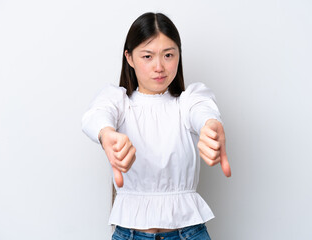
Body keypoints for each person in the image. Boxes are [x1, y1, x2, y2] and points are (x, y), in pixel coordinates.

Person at [82, 12, 231, 240]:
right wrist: (107, 134)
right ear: (129, 58)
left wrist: (210, 125)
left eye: (168, 55)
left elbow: (203, 109)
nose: (159, 66)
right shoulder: (119, 103)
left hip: (188, 233)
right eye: (147, 56)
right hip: (130, 234)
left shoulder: (187, 102)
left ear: (179, 56)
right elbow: (97, 114)